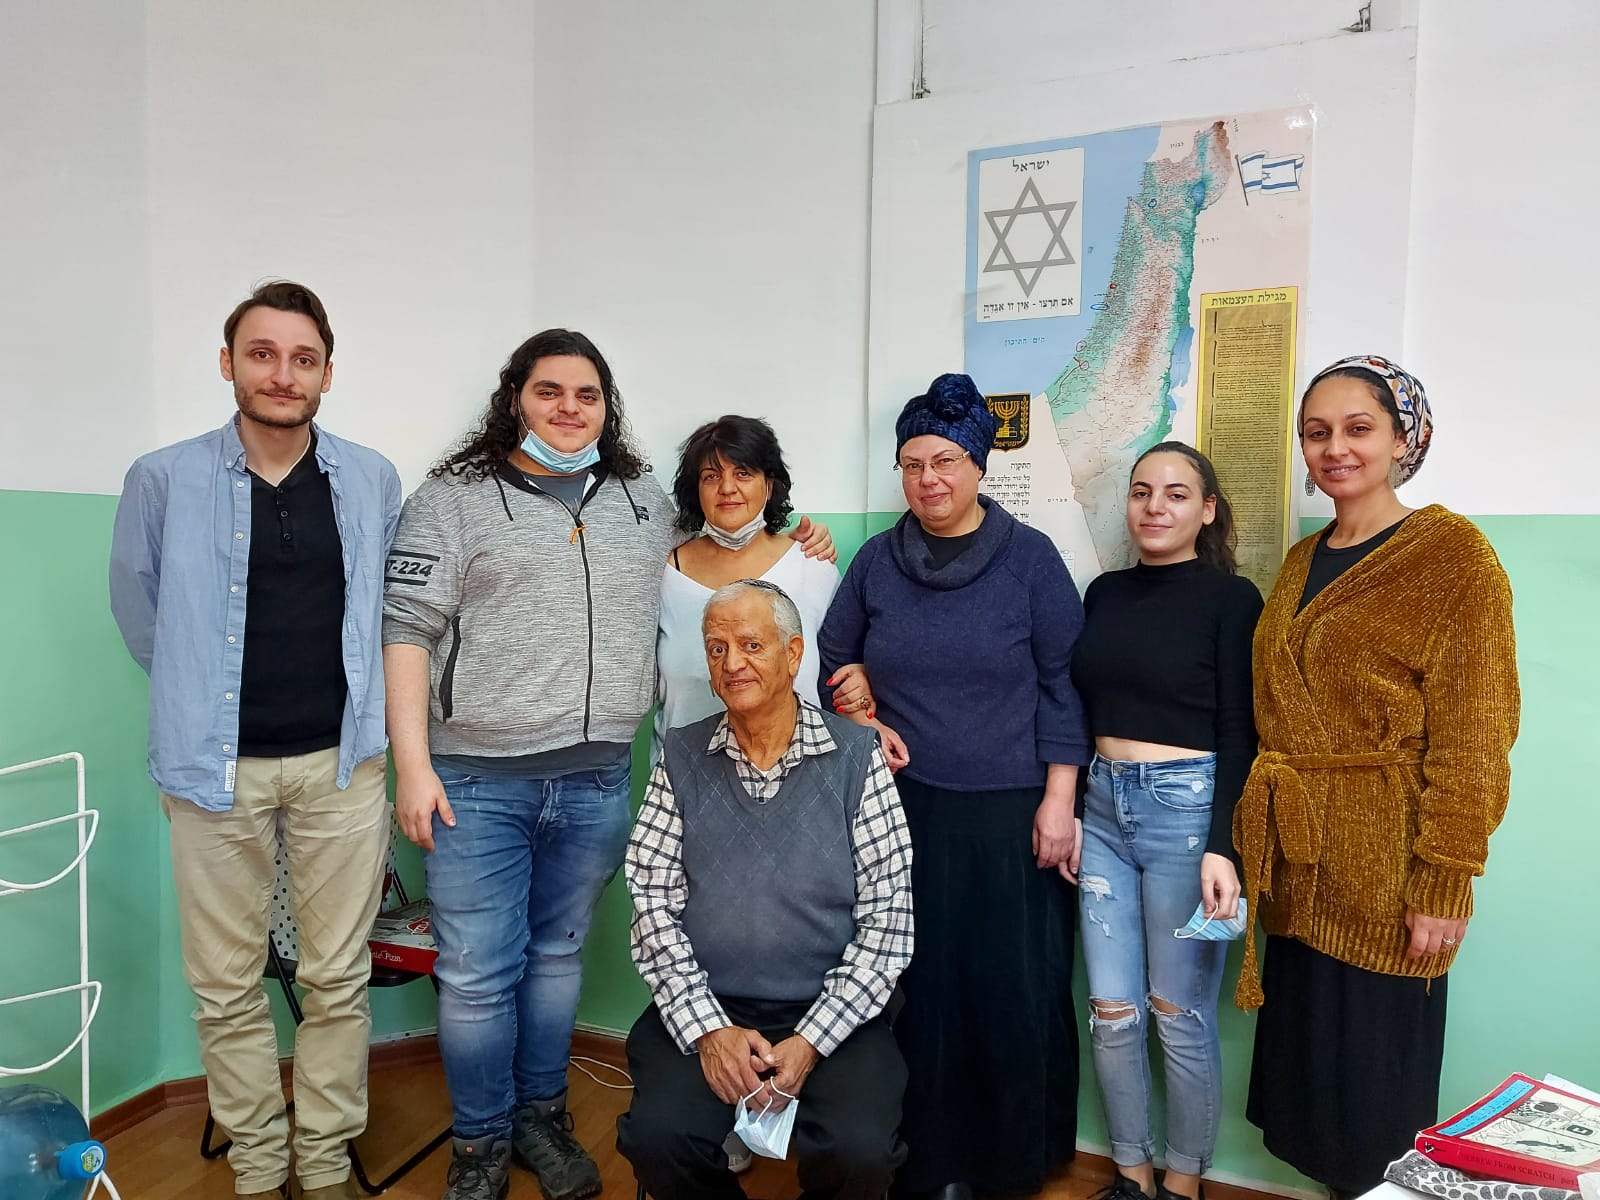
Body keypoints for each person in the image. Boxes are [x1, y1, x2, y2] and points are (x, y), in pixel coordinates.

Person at [380, 330, 834, 1200]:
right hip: (474, 778)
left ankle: (543, 1119)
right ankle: (478, 1144)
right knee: (477, 973)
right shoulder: (451, 500)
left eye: (586, 394)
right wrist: (414, 767)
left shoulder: (641, 503)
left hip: (595, 779)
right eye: (549, 391)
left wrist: (801, 535)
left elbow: (725, 540)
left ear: (605, 407)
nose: (569, 408)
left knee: (557, 962)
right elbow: (405, 631)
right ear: (515, 398)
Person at [109, 280, 400, 1200]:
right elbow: (142, 616)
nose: (283, 374)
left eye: (303, 358)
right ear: (228, 363)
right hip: (211, 774)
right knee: (226, 984)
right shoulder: (162, 478)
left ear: (327, 373)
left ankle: (323, 1161)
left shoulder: (372, 479)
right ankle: (259, 1165)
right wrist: (198, 699)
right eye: (263, 354)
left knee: (337, 979)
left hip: (341, 767)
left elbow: (388, 614)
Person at [1235, 355, 1520, 1198]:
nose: (1336, 449)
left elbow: (1476, 735)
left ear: (1403, 440)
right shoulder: (1300, 560)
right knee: (1315, 1099)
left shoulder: (1455, 558)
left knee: (1377, 1106)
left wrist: (1446, 878)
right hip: (1302, 869)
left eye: (1358, 429)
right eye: (1317, 432)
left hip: (1389, 873)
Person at [818, 373, 1090, 1200]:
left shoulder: (1029, 560)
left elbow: (1066, 686)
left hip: (1013, 811)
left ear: (977, 467)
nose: (928, 479)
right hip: (905, 806)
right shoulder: (877, 560)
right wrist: (862, 716)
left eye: (944, 462)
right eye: (912, 464)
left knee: (1010, 987)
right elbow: (833, 658)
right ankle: (928, 1159)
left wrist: (1059, 801)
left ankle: (1012, 1161)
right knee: (921, 986)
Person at [618, 579, 914, 1200]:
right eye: (717, 648)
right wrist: (710, 1030)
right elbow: (651, 904)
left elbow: (888, 923)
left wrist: (810, 1041)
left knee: (859, 1150)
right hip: (710, 1001)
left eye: (752, 644)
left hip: (832, 1008)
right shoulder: (680, 755)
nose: (732, 663)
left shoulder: (858, 756)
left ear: (794, 654)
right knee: (657, 1137)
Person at [1070, 442, 1262, 1200]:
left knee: (1177, 1012)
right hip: (1101, 809)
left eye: (1177, 494)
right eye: (1142, 491)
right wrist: (1077, 808)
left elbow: (1240, 729)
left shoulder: (1231, 600)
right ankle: (1131, 1176)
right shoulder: (1104, 593)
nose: (1155, 507)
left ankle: (1182, 1183)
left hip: (1186, 814)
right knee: (1111, 1012)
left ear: (1207, 510)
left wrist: (1224, 846)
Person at [656, 415, 846, 742]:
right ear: (695, 490)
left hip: (797, 765)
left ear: (769, 485)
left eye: (743, 473)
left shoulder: (812, 566)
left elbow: (843, 671)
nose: (727, 488)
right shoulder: (665, 575)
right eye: (711, 476)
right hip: (682, 767)